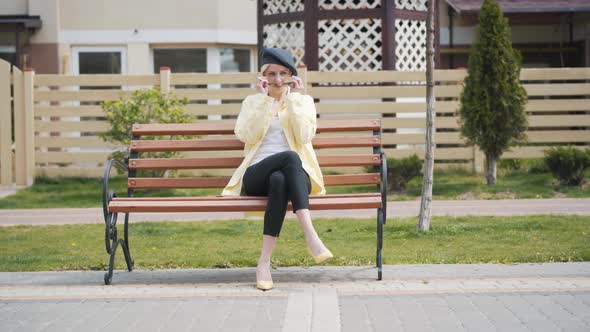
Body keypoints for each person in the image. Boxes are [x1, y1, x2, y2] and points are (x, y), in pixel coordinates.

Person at [222, 48, 332, 291]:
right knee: (289, 158)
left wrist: (293, 102)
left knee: (281, 178)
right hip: (256, 174)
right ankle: (310, 235)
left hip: (294, 177)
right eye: (272, 74)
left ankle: (263, 264)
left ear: (292, 76)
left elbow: (304, 136)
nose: (278, 80)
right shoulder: (253, 102)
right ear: (263, 75)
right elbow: (246, 135)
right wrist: (264, 101)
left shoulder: (303, 101)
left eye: (284, 74)